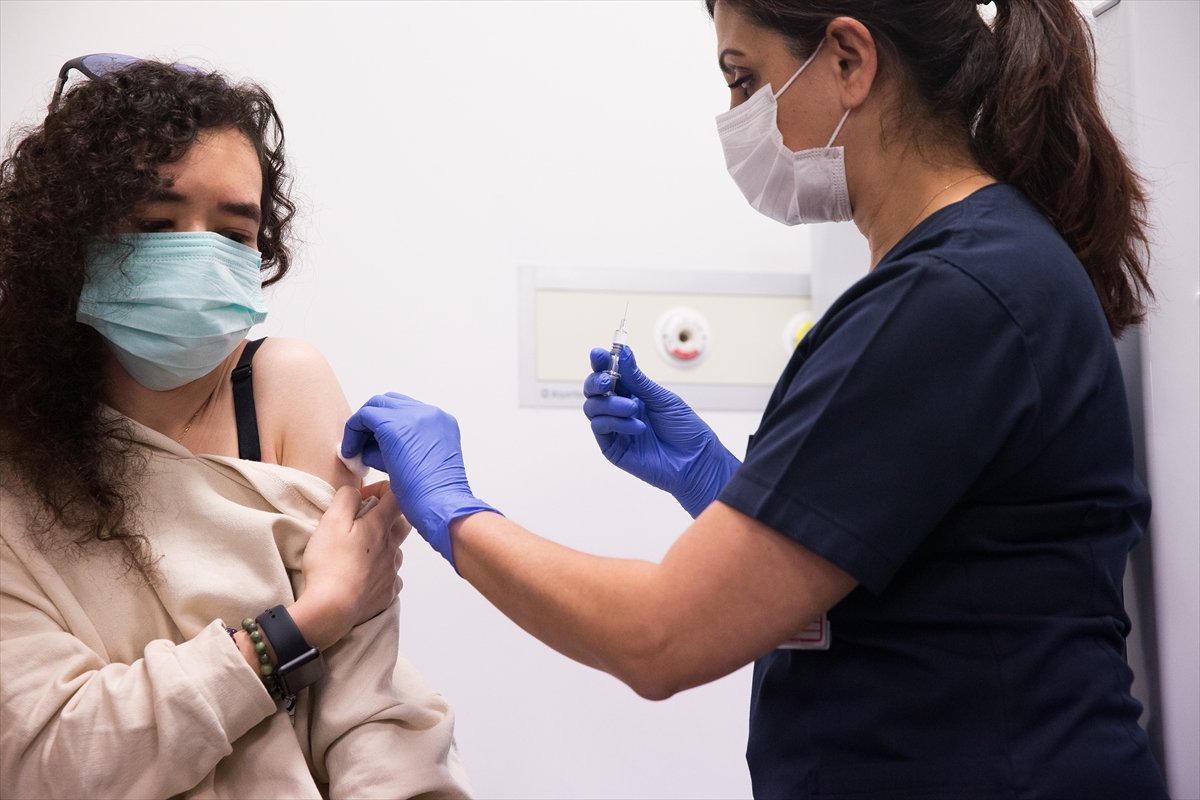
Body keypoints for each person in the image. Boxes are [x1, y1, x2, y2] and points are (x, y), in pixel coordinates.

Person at [341, 1, 1170, 798]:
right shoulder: (970, 272)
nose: (734, 118)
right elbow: (901, 578)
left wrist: (451, 508)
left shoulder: (954, 295)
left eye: (744, 80)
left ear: (849, 60)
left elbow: (658, 638)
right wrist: (717, 484)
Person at [0, 55, 471, 798]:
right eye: (154, 223)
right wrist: (302, 622)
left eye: (232, 232)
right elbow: (51, 759)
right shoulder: (15, 461)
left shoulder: (281, 388)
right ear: (66, 242)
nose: (197, 253)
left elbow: (365, 698)